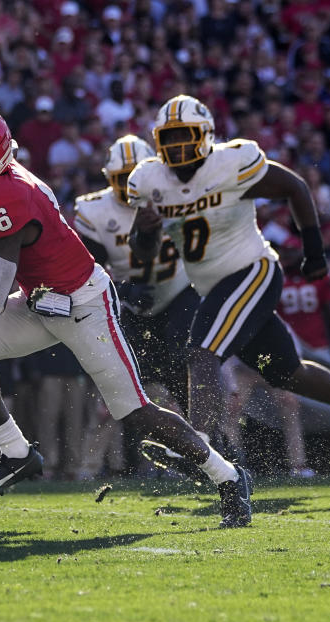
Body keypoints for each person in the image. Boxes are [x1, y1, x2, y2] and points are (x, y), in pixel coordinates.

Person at [0, 104, 253, 528]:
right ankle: (16, 453)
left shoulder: (3, 198)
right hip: (42, 298)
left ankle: (228, 477)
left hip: (83, 305)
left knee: (134, 411)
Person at [127, 95, 330, 472]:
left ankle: (199, 448)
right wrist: (144, 234)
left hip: (252, 271)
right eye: (169, 138)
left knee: (202, 351)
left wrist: (314, 252)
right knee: (286, 372)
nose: (176, 146)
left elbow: (295, 187)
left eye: (184, 135)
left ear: (204, 135)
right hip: (215, 287)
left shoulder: (230, 163)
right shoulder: (150, 180)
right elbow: (144, 252)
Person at [73, 134, 204, 474]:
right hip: (127, 302)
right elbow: (88, 268)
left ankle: (215, 451)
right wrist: (123, 289)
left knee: (186, 368)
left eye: (134, 178)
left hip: (178, 290)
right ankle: (99, 468)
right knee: (124, 385)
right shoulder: (94, 211)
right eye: (121, 179)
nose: (128, 188)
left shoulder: (175, 195)